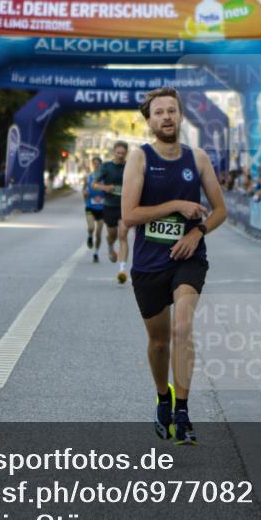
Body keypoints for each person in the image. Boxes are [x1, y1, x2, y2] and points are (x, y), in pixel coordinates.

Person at [121, 87, 226, 446]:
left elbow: (220, 210)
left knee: (183, 327)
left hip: (188, 259)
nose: (166, 117)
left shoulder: (197, 159)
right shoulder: (139, 158)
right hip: (149, 262)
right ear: (149, 121)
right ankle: (162, 398)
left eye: (172, 111)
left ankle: (182, 412)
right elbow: (129, 215)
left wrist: (197, 232)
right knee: (159, 342)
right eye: (159, 112)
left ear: (180, 116)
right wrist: (177, 204)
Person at [92, 141, 130, 283]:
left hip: (125, 207)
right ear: (114, 152)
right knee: (112, 234)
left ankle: (122, 270)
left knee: (123, 234)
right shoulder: (106, 167)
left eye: (122, 153)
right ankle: (110, 246)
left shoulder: (129, 166)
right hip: (109, 206)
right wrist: (105, 188)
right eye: (118, 153)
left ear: (126, 153)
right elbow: (94, 184)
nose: (120, 155)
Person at [82, 157, 105, 263]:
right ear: (92, 165)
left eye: (98, 163)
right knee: (91, 227)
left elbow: (109, 191)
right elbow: (84, 191)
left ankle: (96, 253)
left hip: (102, 209)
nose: (96, 165)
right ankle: (90, 236)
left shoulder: (105, 178)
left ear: (101, 165)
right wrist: (86, 195)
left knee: (99, 233)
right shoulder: (89, 177)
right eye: (94, 163)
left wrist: (103, 196)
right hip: (90, 206)